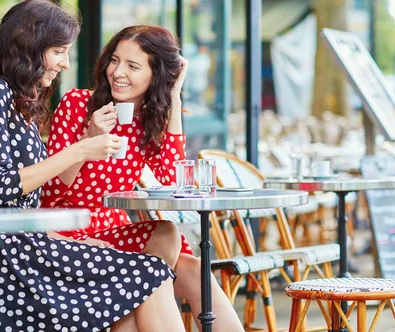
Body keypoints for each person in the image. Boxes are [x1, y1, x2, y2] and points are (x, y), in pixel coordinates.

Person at [0, 0, 188, 332]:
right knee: (147, 274)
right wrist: (81, 149)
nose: (65, 63)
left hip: (22, 239)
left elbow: (20, 204)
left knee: (145, 274)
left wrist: (59, 239)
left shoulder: (18, 101)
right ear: (30, 47)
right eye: (59, 51)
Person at [41, 25, 245, 332]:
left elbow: (169, 182)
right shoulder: (77, 105)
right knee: (159, 264)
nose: (117, 72)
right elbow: (49, 193)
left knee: (182, 252)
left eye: (133, 66)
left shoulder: (148, 120)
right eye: (114, 60)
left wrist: (174, 101)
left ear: (156, 75)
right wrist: (88, 140)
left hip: (112, 228)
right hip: (65, 228)